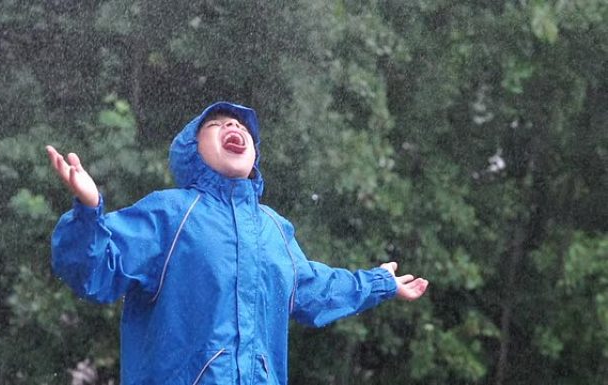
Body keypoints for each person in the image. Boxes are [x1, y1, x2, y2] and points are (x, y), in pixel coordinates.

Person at [47, 101, 428, 385]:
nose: (232, 124)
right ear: (193, 152)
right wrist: (88, 209)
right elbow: (94, 269)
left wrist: (379, 283)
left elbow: (314, 287)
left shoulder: (274, 229)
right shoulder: (171, 214)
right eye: (215, 124)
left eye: (240, 124)